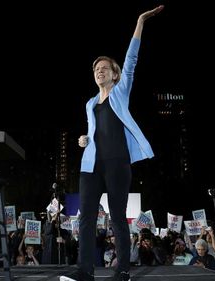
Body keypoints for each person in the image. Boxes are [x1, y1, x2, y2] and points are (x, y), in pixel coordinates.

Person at [59, 5, 163, 281]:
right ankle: (85, 271)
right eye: (96, 68)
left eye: (105, 68)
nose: (99, 71)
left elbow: (131, 60)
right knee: (86, 218)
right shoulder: (90, 103)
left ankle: (123, 270)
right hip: (91, 164)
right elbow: (94, 132)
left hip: (118, 163)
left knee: (117, 217)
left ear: (115, 75)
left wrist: (140, 22)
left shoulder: (120, 92)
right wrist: (84, 139)